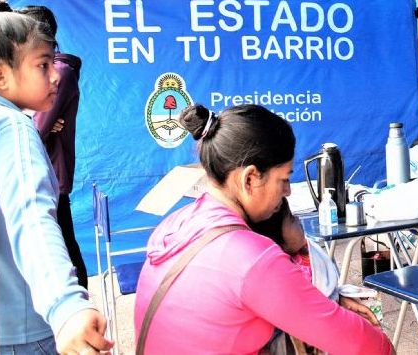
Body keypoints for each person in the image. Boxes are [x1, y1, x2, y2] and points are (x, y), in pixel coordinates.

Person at [133, 104, 392, 354]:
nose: (288, 191)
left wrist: (330, 301)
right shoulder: (248, 256)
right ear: (250, 178)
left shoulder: (173, 225)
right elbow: (360, 344)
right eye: (285, 178)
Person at [0, 9, 112, 354]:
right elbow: (31, 216)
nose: (55, 76)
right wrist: (65, 304)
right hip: (23, 331)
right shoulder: (11, 126)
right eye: (43, 65)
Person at [18, 5, 87, 288]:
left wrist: (31, 118)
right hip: (44, 173)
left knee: (64, 250)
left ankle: (80, 310)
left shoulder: (59, 71)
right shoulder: (41, 71)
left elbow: (37, 128)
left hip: (51, 176)